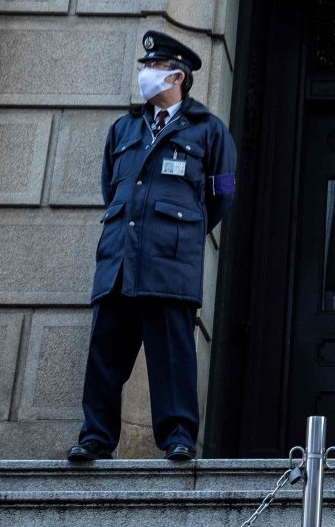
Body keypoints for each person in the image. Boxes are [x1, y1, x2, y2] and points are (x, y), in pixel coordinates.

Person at [66, 30, 236, 463]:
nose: (144, 74)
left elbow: (223, 194)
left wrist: (180, 231)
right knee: (105, 354)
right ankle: (96, 438)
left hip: (170, 261)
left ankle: (178, 436)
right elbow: (112, 190)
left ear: (177, 75)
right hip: (121, 258)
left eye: (153, 67)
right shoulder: (123, 128)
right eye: (145, 67)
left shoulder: (209, 131)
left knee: (173, 356)